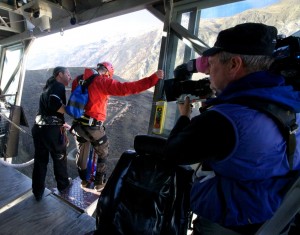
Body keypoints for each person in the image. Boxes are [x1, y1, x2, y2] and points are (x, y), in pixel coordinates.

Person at [163, 23, 300, 234]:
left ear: (234, 64)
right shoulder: (289, 100)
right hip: (270, 216)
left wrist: (184, 117)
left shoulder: (224, 120)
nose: (209, 72)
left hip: (228, 221)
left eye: (212, 64)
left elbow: (173, 153)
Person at [71, 62, 164, 191]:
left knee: (82, 153)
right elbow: (128, 88)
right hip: (93, 127)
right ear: (107, 73)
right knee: (102, 151)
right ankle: (99, 183)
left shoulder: (79, 79)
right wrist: (152, 79)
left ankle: (84, 181)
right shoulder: (102, 81)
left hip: (78, 125)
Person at [32, 66, 72, 201]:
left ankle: (37, 192)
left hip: (39, 129)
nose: (70, 77)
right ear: (60, 74)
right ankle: (64, 188)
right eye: (68, 74)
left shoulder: (47, 88)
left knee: (40, 161)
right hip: (52, 131)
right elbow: (54, 104)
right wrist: (70, 111)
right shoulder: (58, 86)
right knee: (60, 159)